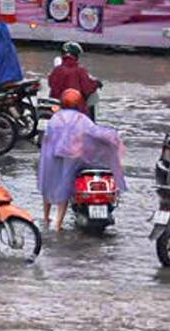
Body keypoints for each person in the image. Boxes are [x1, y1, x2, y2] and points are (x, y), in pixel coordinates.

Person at [37, 88, 127, 233]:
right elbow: (96, 133)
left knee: (49, 185)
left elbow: (47, 138)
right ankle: (58, 223)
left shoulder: (56, 118)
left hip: (52, 157)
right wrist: (113, 137)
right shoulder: (81, 119)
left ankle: (46, 218)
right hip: (73, 158)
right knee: (65, 188)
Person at [48, 42, 101, 116]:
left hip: (56, 105)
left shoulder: (56, 70)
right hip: (75, 107)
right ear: (76, 56)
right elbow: (87, 88)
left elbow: (51, 84)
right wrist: (96, 84)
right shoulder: (80, 70)